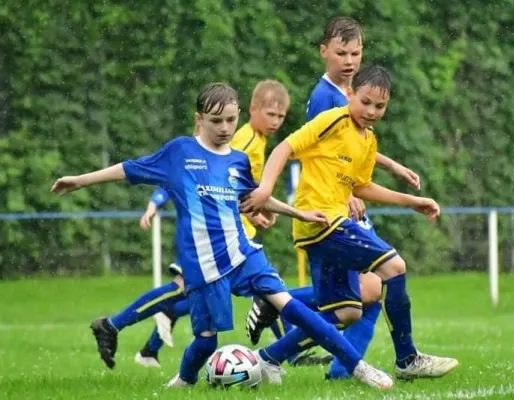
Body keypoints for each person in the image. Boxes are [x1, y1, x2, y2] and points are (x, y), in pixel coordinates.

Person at [51, 82, 393, 389]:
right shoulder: (180, 152)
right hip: (203, 262)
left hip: (244, 254)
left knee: (291, 307)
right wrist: (79, 180)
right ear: (199, 118)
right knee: (205, 343)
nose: (225, 128)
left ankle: (358, 367)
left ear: (238, 115)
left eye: (230, 120)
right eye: (216, 121)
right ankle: (184, 380)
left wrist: (297, 212)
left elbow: (254, 195)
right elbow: (129, 168)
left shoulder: (238, 160)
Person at [241, 65, 459, 380]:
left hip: (325, 227)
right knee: (394, 267)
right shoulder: (333, 120)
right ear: (350, 94)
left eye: (379, 106)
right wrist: (265, 189)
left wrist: (412, 202)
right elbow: (286, 148)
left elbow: (361, 187)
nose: (371, 111)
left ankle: (268, 359)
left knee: (346, 311)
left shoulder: (367, 140)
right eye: (365, 102)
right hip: (322, 221)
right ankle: (407, 359)